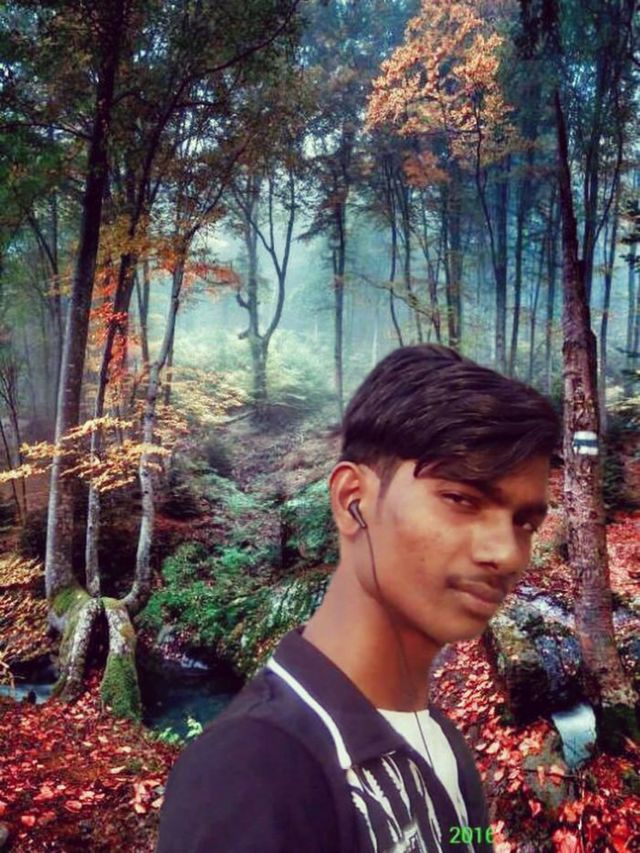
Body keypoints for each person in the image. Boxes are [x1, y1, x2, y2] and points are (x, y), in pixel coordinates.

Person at [156, 343, 560, 853]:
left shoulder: (445, 743)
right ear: (353, 501)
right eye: (461, 498)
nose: (506, 553)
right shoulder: (249, 772)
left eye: (525, 523)